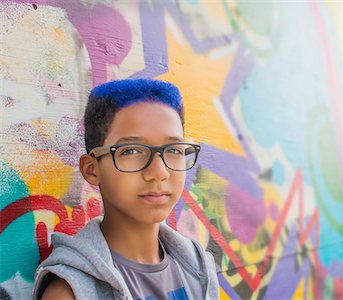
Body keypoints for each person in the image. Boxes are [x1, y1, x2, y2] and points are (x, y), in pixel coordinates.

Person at [32, 79, 219, 299]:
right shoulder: (70, 292)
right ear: (92, 169)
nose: (158, 171)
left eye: (174, 150)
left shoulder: (198, 266)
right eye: (131, 151)